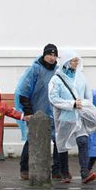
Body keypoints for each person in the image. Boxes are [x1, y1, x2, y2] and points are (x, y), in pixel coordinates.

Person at [48, 51, 96, 185]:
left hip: (79, 115)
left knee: (83, 141)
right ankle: (65, 172)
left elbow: (88, 95)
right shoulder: (56, 79)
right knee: (62, 145)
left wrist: (86, 106)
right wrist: (72, 104)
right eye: (73, 60)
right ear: (66, 61)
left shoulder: (81, 77)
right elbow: (53, 98)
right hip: (64, 117)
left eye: (77, 60)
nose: (76, 63)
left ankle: (84, 172)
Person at [15, 44, 60, 180]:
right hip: (36, 112)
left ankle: (57, 169)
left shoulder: (57, 71)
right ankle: (24, 169)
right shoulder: (35, 69)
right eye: (49, 55)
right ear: (44, 55)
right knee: (32, 139)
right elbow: (23, 91)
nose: (52, 58)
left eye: (54, 55)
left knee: (58, 139)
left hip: (53, 113)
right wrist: (28, 112)